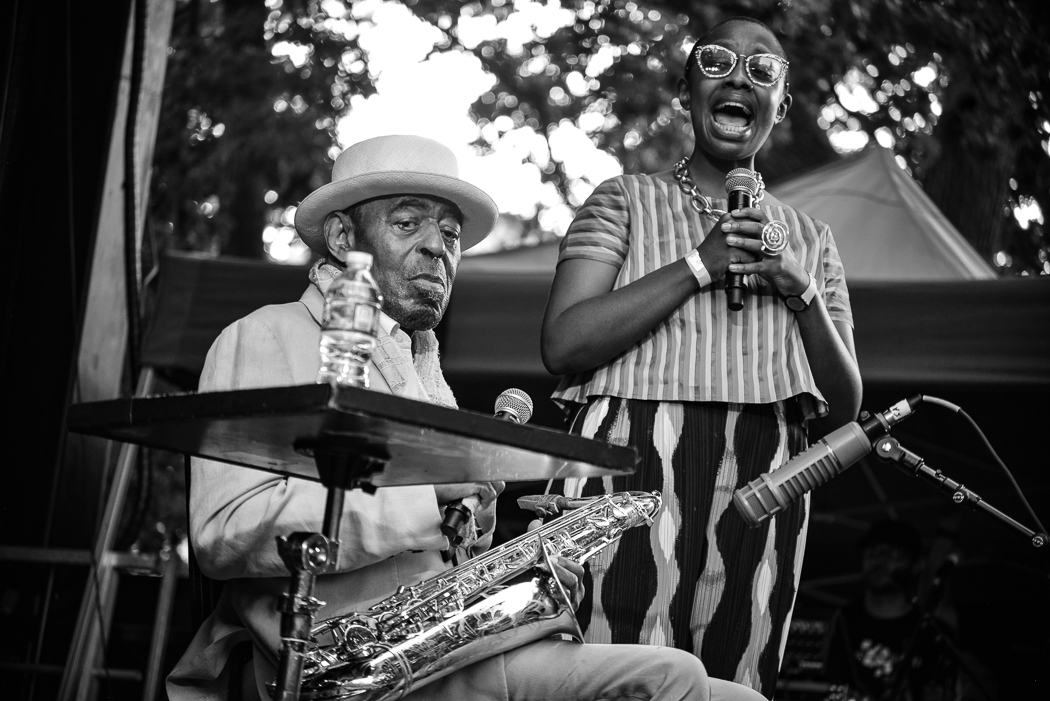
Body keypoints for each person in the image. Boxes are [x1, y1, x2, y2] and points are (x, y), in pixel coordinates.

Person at [166, 134, 766, 701]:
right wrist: (428, 493)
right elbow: (224, 534)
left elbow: (438, 549)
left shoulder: (427, 370)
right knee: (676, 674)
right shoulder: (264, 335)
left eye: (450, 234)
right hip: (343, 660)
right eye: (408, 224)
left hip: (447, 650)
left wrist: (524, 559)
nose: (438, 247)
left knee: (742, 697)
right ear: (343, 235)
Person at [540, 16, 863, 698]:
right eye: (718, 62)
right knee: (619, 670)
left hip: (767, 471)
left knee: (735, 677)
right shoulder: (624, 200)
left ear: (783, 105)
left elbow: (846, 407)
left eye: (763, 70)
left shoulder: (812, 239)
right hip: (628, 453)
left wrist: (799, 288)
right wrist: (699, 263)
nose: (740, 77)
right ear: (688, 92)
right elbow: (563, 343)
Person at [823, 520, 989, 701]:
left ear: (916, 565)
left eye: (893, 554)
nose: (880, 560)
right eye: (873, 552)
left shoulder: (932, 630)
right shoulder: (843, 619)